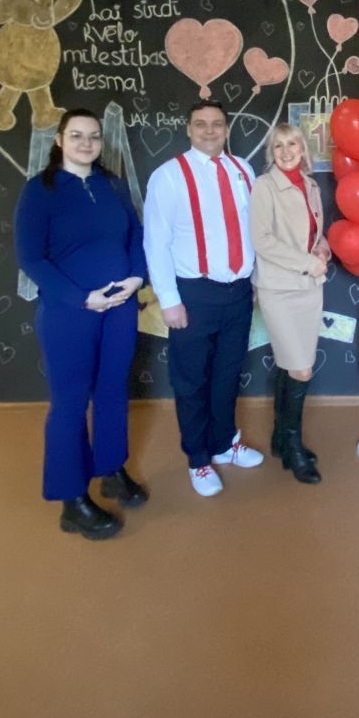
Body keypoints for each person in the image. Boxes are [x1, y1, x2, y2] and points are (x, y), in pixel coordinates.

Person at [14, 108, 147, 540]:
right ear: (59, 140)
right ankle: (71, 500)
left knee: (112, 391)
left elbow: (136, 235)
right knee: (70, 403)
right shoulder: (40, 190)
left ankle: (111, 470)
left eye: (93, 136)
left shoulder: (112, 185)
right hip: (69, 313)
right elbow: (31, 257)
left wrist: (135, 278)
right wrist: (82, 298)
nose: (86, 143)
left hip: (120, 308)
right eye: (76, 135)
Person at [143, 99, 264, 498]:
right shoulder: (168, 176)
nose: (209, 130)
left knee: (227, 374)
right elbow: (155, 242)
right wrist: (169, 299)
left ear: (226, 129)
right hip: (193, 293)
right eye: (201, 124)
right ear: (188, 129)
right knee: (191, 380)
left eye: (216, 124)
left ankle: (225, 443)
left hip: (238, 292)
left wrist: (255, 280)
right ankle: (198, 459)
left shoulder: (243, 170)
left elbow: (251, 230)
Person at [249, 123, 330, 484]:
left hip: (310, 288)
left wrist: (323, 248)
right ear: (272, 152)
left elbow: (313, 233)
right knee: (300, 369)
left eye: (292, 144)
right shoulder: (264, 186)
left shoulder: (311, 186)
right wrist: (307, 262)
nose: (286, 151)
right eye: (278, 145)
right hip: (278, 289)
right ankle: (294, 447)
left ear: (302, 148)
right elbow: (261, 240)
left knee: (290, 365)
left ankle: (281, 438)